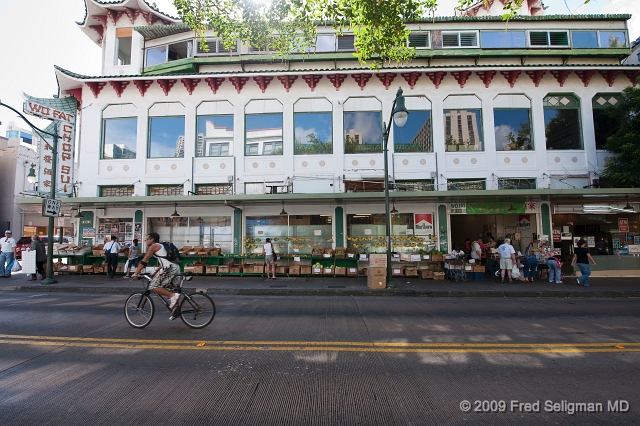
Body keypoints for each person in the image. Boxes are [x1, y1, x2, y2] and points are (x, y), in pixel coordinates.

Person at [132, 233, 181, 310]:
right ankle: (176, 310)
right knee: (171, 288)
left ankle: (172, 296)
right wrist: (155, 272)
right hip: (175, 267)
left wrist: (136, 273)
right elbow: (164, 262)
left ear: (152, 239)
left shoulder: (154, 246)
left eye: (147, 239)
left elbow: (144, 261)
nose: (146, 241)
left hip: (169, 268)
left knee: (153, 287)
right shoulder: (161, 246)